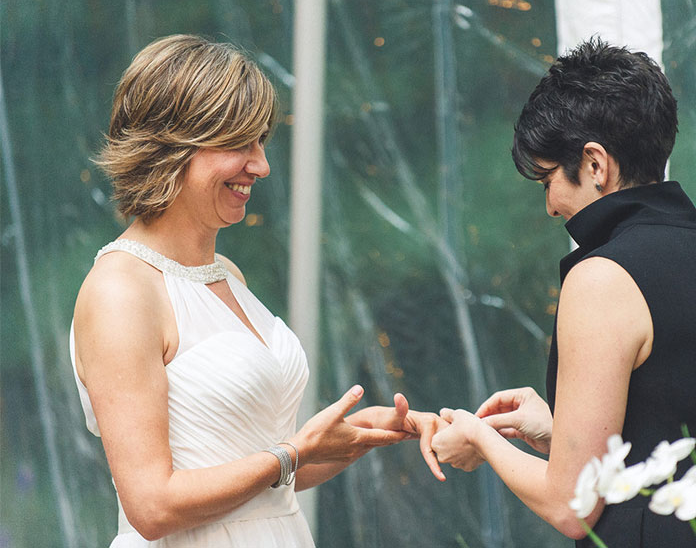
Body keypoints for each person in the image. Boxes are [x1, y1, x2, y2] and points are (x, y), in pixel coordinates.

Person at [430, 37, 696, 547]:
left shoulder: (603, 276)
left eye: (547, 180)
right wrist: (559, 430)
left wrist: (480, 439)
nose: (549, 206)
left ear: (594, 164)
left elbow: (572, 506)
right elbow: (691, 430)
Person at [70, 34, 445, 547]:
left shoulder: (227, 275)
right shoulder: (120, 291)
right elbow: (152, 507)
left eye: (261, 141)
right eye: (239, 143)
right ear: (171, 147)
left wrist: (347, 439)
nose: (261, 165)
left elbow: (264, 477)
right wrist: (292, 452)